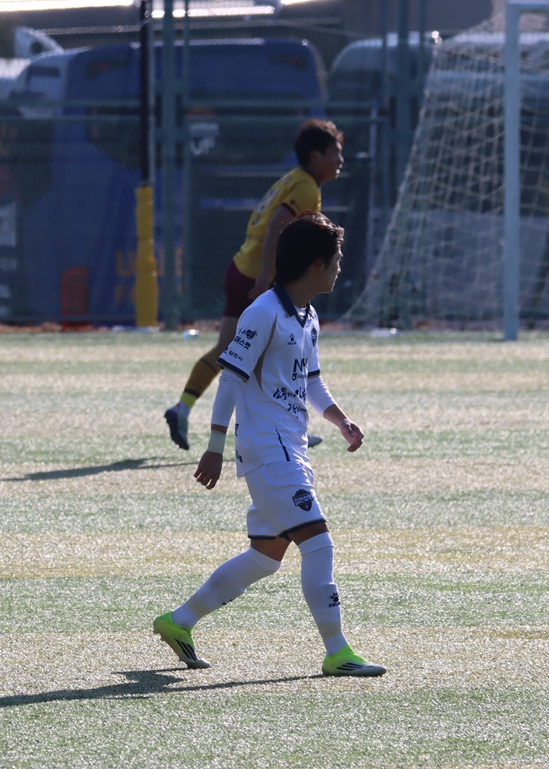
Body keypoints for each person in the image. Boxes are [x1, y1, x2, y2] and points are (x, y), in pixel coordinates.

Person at [153, 212, 386, 678]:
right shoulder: (263, 313)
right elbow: (230, 380)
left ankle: (179, 621)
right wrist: (214, 446)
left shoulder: (308, 316)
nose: (340, 268)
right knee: (319, 544)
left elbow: (310, 380)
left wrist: (339, 419)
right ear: (316, 264)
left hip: (290, 449)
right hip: (268, 450)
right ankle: (337, 651)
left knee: (265, 557)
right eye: (337, 260)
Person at [164, 120, 344, 450]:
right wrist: (264, 277)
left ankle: (182, 408)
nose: (340, 160)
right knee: (274, 356)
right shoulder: (306, 187)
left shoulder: (293, 178)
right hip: (257, 277)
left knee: (227, 350)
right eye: (335, 153)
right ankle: (281, 429)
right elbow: (276, 228)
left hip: (239, 267)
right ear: (315, 156)